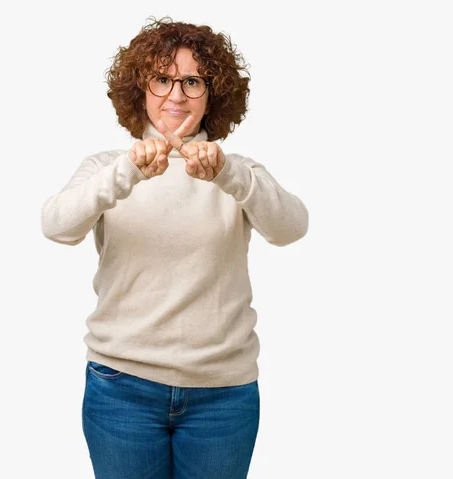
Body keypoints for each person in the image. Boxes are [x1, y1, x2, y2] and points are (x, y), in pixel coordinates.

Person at [41, 17, 309, 479]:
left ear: (212, 93)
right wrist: (127, 172)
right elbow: (57, 225)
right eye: (162, 80)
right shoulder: (108, 166)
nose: (176, 95)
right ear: (140, 90)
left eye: (192, 81)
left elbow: (291, 227)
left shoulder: (236, 170)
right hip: (121, 388)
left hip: (222, 394)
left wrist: (229, 176)